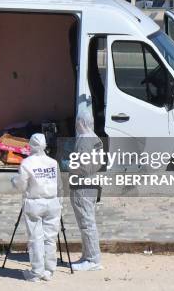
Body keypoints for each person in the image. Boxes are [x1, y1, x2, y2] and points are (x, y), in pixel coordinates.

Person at [11, 133, 62, 282]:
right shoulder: (53, 162)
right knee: (50, 238)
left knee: (35, 238)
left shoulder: (27, 163)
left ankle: (36, 272)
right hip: (53, 202)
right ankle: (49, 270)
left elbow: (21, 185)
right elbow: (59, 184)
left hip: (34, 202)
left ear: (31, 145)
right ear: (45, 145)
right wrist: (60, 203)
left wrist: (13, 181)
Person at [69, 109, 103, 271]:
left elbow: (82, 166)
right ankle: (88, 255)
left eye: (77, 121)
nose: (76, 124)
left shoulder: (83, 140)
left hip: (82, 185)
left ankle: (92, 259)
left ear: (81, 122)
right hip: (93, 183)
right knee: (88, 221)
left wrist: (67, 164)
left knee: (87, 223)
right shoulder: (96, 138)